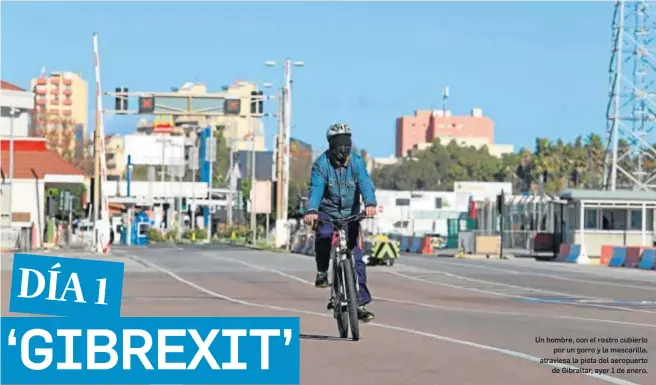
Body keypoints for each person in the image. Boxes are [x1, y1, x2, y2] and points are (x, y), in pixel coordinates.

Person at [303, 122, 377, 322]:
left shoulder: (357, 163)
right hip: (327, 212)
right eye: (339, 144)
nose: (344, 149)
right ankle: (321, 272)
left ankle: (359, 303)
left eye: (347, 143)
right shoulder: (321, 165)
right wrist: (312, 210)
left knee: (358, 261)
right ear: (331, 145)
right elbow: (316, 189)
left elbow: (365, 184)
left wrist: (370, 203)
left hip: (351, 215)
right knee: (324, 235)